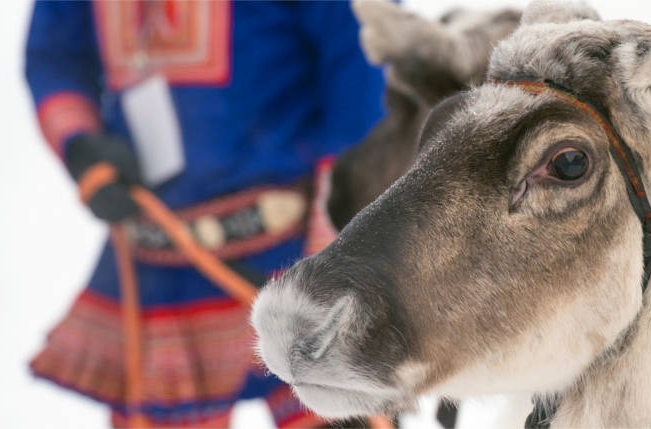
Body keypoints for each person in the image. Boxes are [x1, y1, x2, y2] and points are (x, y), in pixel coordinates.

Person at [25, 1, 385, 427]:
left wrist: (340, 263)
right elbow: (54, 55)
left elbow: (362, 73)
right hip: (154, 274)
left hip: (297, 265)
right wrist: (81, 144)